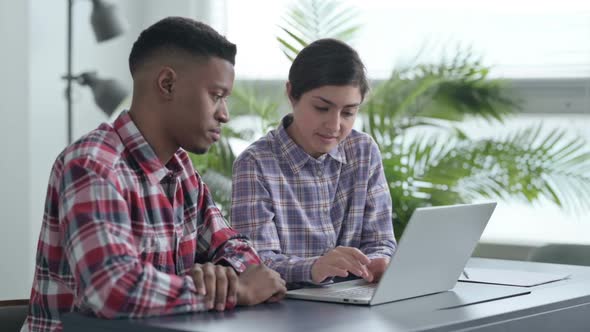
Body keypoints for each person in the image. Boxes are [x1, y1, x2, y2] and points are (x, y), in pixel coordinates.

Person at [22, 17, 286, 332]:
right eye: (216, 95)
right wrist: (237, 291)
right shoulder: (92, 164)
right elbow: (112, 290)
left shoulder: (181, 169)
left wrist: (222, 279)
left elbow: (237, 250)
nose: (225, 114)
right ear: (167, 84)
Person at [231, 39, 396, 287]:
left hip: (354, 303)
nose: (334, 125)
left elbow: (380, 241)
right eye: (321, 108)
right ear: (291, 94)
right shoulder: (255, 164)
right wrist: (315, 268)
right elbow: (255, 263)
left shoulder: (363, 151)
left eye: (349, 112)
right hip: (287, 313)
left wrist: (377, 261)